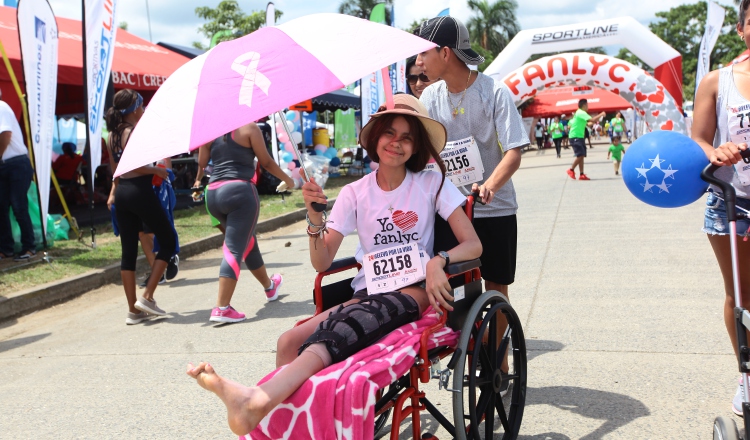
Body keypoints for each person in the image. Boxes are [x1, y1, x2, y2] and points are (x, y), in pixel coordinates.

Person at [186, 94, 482, 436]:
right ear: (375, 138)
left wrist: (438, 261)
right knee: (287, 342)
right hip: (368, 292)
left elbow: (473, 244)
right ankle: (292, 425)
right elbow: (322, 261)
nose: (396, 144)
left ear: (416, 147)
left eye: (407, 137)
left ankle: (257, 400)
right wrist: (314, 219)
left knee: (346, 326)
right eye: (389, 133)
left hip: (412, 292)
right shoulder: (355, 192)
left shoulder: (432, 184)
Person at [416, 16, 528, 305]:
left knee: (496, 289)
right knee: (447, 289)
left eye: (423, 52)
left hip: (495, 210)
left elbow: (514, 150)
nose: (418, 61)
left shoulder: (494, 92)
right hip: (450, 212)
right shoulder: (429, 97)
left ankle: (498, 352)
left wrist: (490, 185)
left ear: (445, 53)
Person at [692, 0, 750, 417]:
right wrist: (718, 150)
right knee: (742, 295)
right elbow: (698, 140)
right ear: (741, 29)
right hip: (732, 203)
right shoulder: (717, 81)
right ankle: (746, 377)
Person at [194, 122, 295, 323]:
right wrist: (288, 179)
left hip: (213, 194)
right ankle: (222, 307)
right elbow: (265, 162)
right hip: (239, 192)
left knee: (247, 243)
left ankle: (269, 286)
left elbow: (203, 162)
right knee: (234, 248)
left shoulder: (210, 130)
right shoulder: (249, 129)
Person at [106, 89, 175, 325]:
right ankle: (147, 297)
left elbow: (116, 170)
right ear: (135, 108)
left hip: (123, 194)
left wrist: (115, 192)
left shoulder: (112, 135)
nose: (143, 109)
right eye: (141, 105)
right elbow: (134, 166)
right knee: (168, 241)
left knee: (128, 252)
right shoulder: (131, 132)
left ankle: (133, 311)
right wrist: (157, 170)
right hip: (139, 190)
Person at [0, 91, 35, 261]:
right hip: (6, 165)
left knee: (18, 206)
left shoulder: (1, 107)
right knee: (2, 207)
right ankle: (6, 249)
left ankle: (29, 247)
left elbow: (6, 135)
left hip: (16, 164)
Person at [566, 99, 606, 181]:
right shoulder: (581, 112)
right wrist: (601, 114)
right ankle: (571, 170)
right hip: (575, 136)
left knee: (581, 155)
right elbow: (592, 120)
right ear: (584, 105)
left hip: (579, 136)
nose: (588, 107)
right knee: (581, 154)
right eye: (587, 105)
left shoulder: (580, 113)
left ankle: (581, 174)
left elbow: (588, 124)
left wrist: (597, 119)